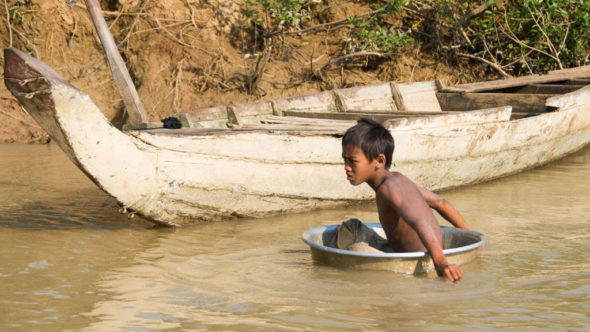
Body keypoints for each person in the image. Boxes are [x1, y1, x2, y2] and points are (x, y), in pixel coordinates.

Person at [341, 118, 471, 282]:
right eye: (344, 160)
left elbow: (419, 221)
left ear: (379, 161)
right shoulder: (398, 179)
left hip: (420, 260)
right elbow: (440, 203)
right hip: (425, 251)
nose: (346, 166)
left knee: (356, 248)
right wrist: (472, 236)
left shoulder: (388, 189)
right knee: (352, 228)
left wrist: (441, 263)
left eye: (352, 161)